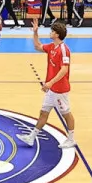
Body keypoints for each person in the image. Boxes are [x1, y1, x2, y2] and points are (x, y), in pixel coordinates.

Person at [25, 17, 76, 147]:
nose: (50, 32)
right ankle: (31, 137)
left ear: (57, 34)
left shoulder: (63, 49)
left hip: (60, 90)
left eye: (52, 31)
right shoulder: (52, 46)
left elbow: (64, 69)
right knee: (43, 112)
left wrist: (50, 83)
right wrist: (35, 32)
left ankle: (71, 139)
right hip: (51, 90)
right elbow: (37, 46)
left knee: (66, 114)